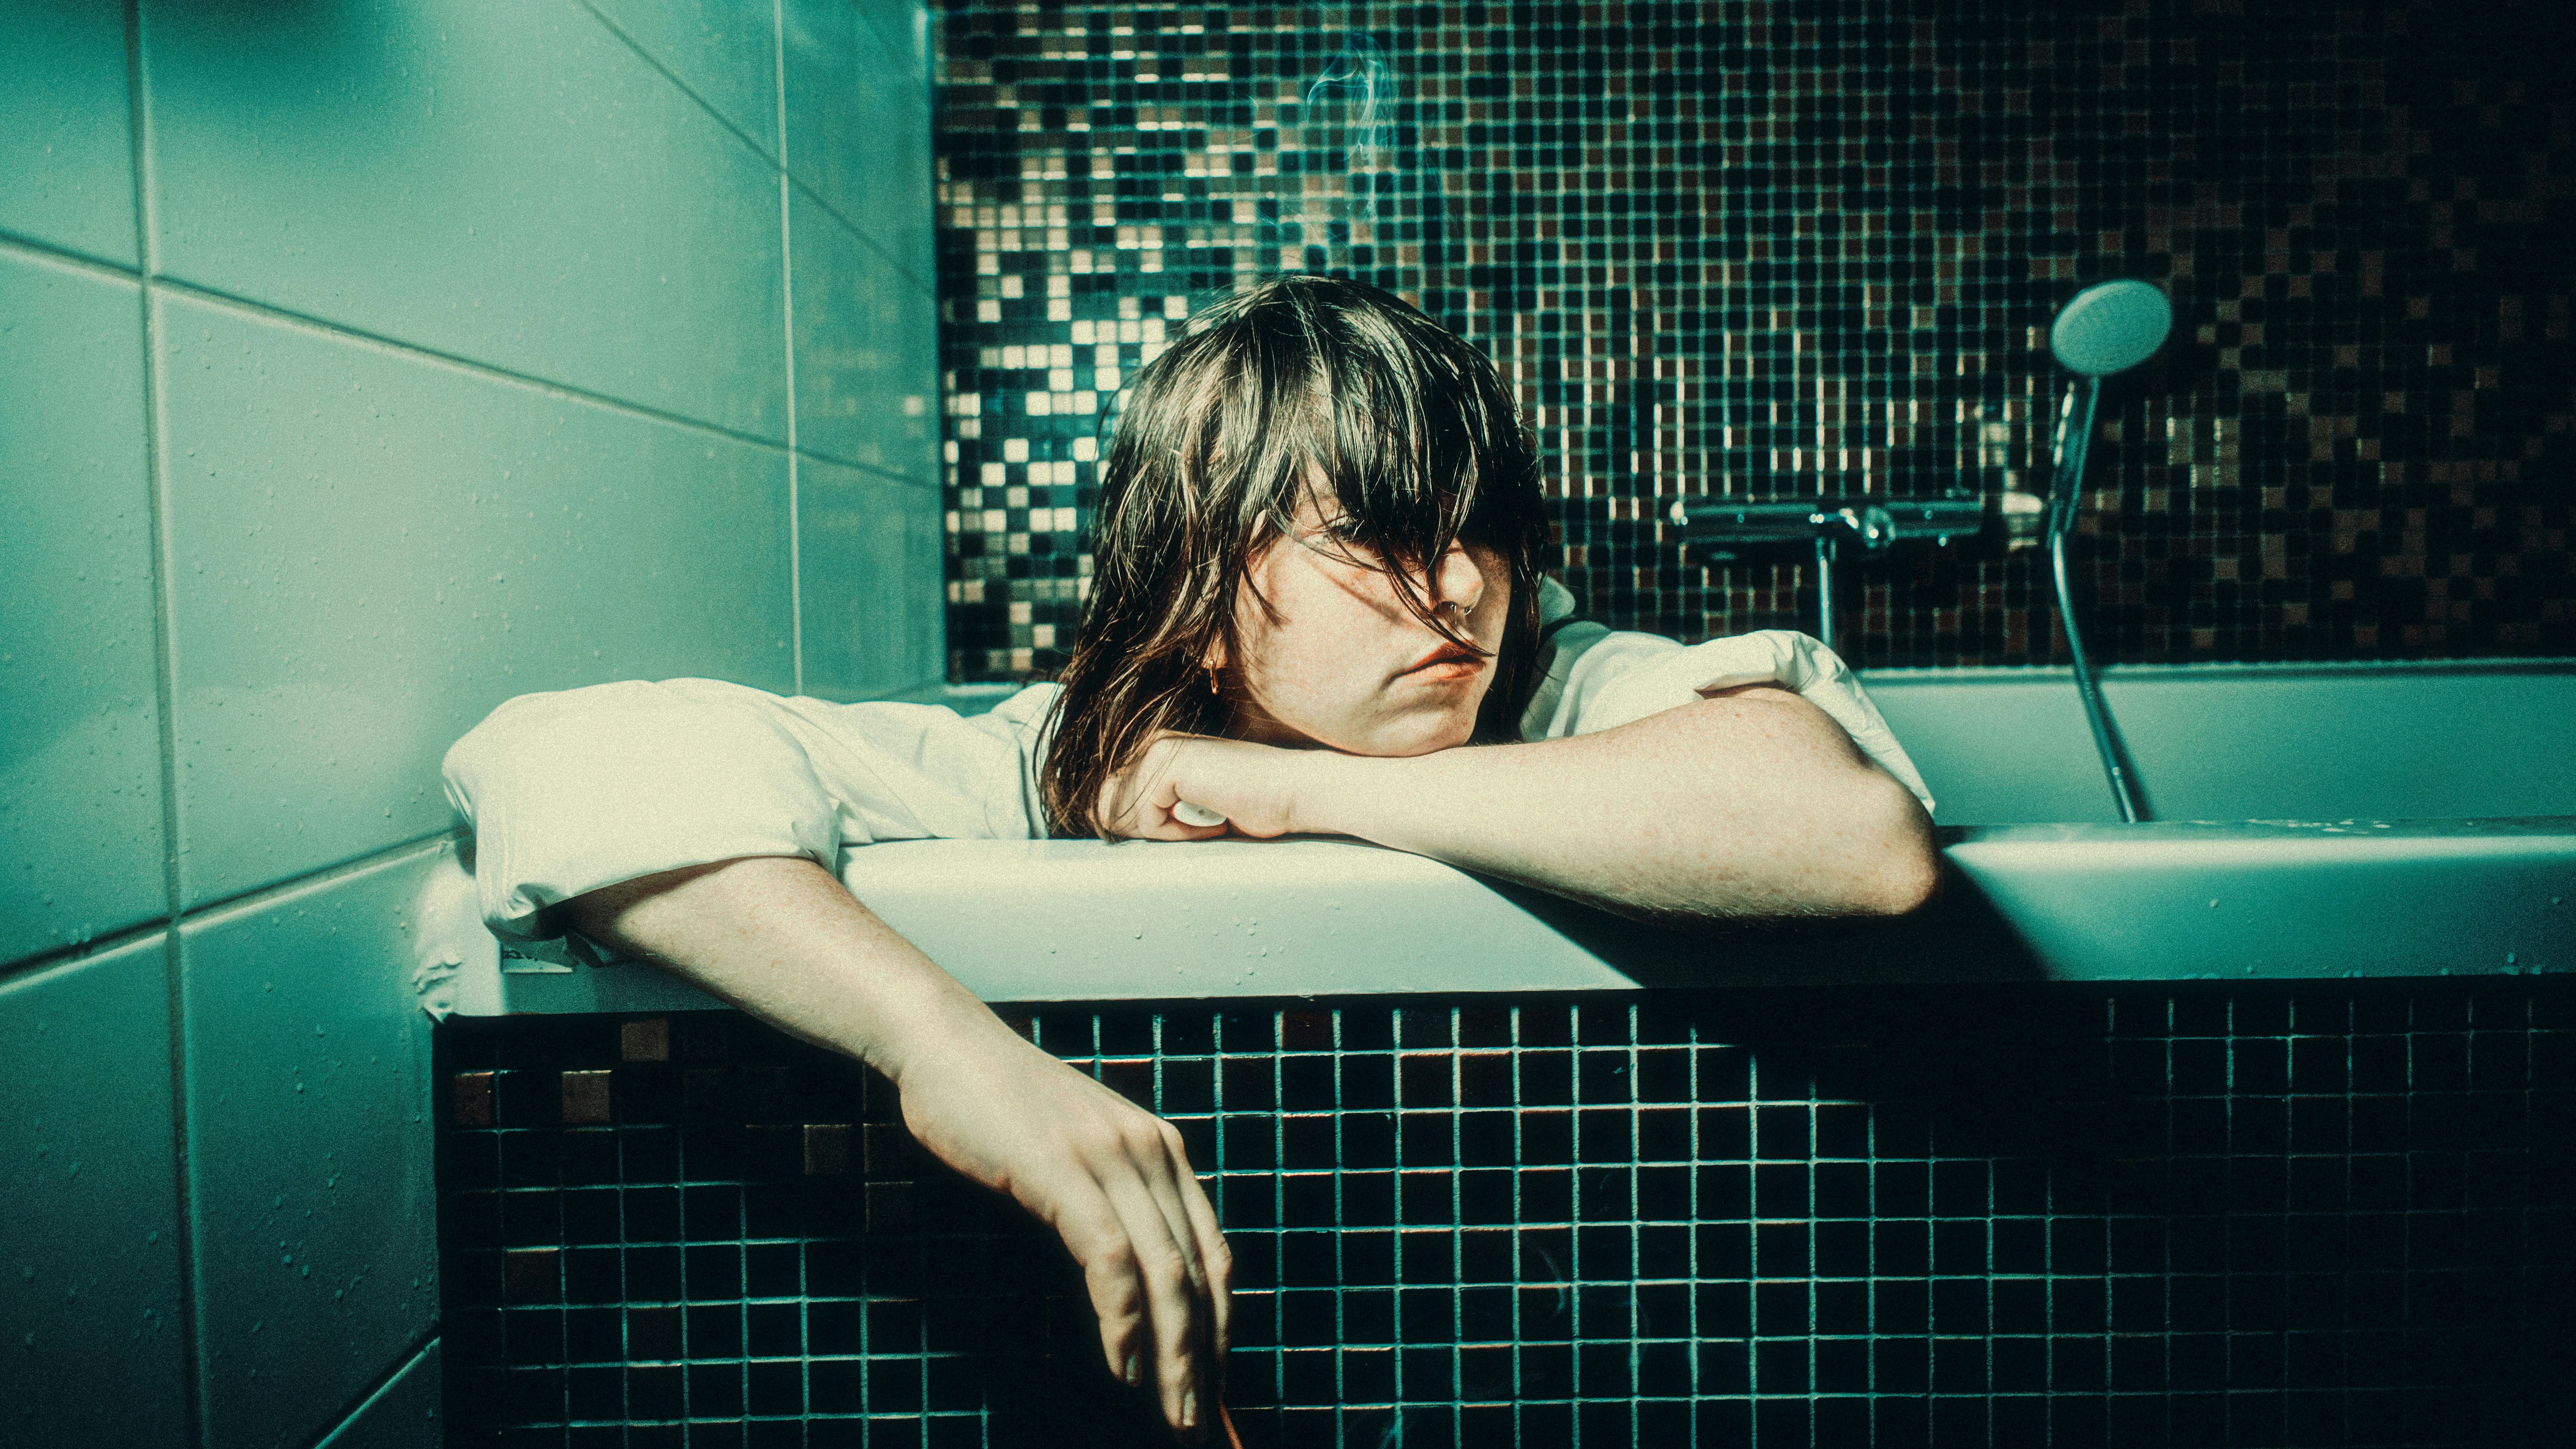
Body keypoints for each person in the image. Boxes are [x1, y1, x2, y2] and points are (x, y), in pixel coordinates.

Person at [442, 275, 1940, 1441]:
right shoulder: (1078, 761)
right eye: (1376, 532)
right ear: (1203, 594)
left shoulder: (1568, 689)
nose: (1467, 582)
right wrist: (944, 1048)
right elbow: (570, 764)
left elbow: (1854, 839)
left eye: (1481, 527)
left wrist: (1301, 795)